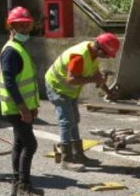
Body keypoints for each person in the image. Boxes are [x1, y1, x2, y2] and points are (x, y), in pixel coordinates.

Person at [45, 32, 121, 171]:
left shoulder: (92, 54)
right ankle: (66, 159)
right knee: (66, 121)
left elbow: (96, 75)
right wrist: (93, 80)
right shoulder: (79, 56)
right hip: (57, 87)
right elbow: (71, 79)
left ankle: (77, 154)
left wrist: (108, 92)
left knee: (74, 119)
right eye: (106, 54)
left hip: (69, 90)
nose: (107, 58)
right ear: (100, 49)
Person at [0, 6, 47, 196]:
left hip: (21, 107)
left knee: (20, 143)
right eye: (21, 26)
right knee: (30, 144)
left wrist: (32, 105)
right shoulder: (11, 51)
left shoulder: (19, 48)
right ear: (11, 27)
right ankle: (23, 188)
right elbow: (10, 82)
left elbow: (24, 80)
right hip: (16, 108)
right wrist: (23, 108)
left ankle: (17, 184)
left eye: (27, 26)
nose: (25, 29)